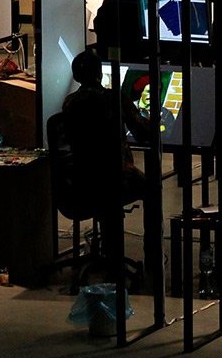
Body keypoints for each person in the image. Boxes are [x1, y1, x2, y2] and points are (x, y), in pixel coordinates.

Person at [61, 50, 147, 278]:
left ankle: (108, 254)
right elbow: (142, 133)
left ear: (76, 76)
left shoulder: (69, 103)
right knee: (152, 188)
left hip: (80, 181)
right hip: (117, 178)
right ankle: (153, 253)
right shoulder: (115, 99)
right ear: (100, 73)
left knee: (104, 193)